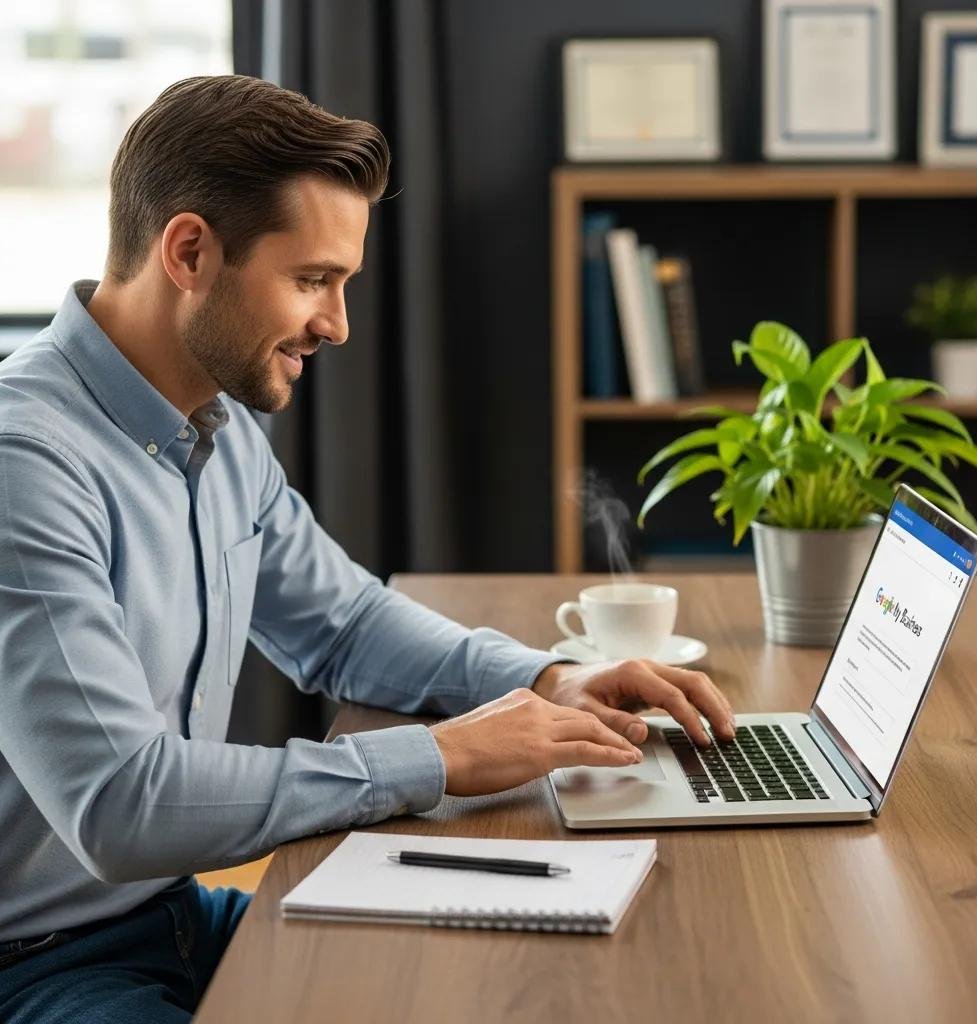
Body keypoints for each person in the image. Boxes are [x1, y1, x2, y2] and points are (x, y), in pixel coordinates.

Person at [0, 74, 735, 1022]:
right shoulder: (29, 466)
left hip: (171, 917)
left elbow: (341, 623)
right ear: (189, 251)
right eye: (312, 281)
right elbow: (120, 803)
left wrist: (549, 681)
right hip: (40, 967)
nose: (336, 325)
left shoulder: (210, 431)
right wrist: (435, 758)